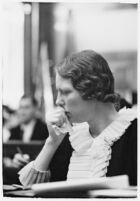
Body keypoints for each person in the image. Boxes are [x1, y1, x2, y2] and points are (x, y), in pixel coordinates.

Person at [18, 50, 137, 186]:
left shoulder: (134, 133)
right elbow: (28, 188)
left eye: (66, 92)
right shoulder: (71, 137)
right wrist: (52, 142)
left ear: (93, 90)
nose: (58, 101)